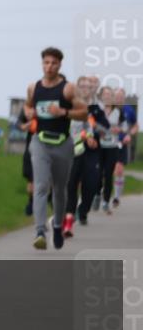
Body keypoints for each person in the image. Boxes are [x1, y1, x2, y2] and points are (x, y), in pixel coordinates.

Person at [24, 47, 87, 249]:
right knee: (41, 186)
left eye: (53, 63)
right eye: (46, 62)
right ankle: (40, 231)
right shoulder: (33, 87)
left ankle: (58, 225)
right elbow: (27, 106)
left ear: (60, 65)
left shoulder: (68, 88)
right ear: (42, 64)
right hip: (40, 142)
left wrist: (63, 111)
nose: (49, 66)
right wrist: (29, 113)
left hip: (62, 143)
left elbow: (84, 112)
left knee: (60, 190)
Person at [64, 76, 104, 234]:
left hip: (89, 151)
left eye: (90, 86)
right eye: (83, 86)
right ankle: (67, 219)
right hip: (68, 150)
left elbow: (94, 127)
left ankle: (81, 211)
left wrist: (89, 136)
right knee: (70, 185)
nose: (87, 89)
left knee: (90, 184)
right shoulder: (67, 105)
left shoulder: (95, 108)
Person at [96, 87, 122, 215]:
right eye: (105, 94)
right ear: (101, 96)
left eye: (110, 95)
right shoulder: (97, 110)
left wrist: (119, 130)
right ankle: (97, 193)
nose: (107, 97)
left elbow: (124, 127)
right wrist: (99, 131)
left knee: (108, 174)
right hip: (99, 146)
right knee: (98, 173)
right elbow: (92, 125)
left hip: (112, 147)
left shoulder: (117, 112)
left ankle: (106, 201)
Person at [112, 88, 135, 207]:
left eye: (121, 96)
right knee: (106, 171)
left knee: (119, 169)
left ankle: (116, 197)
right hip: (109, 143)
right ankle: (100, 193)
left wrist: (129, 135)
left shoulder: (129, 110)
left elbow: (135, 125)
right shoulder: (109, 109)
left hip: (122, 143)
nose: (119, 99)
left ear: (124, 97)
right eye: (117, 96)